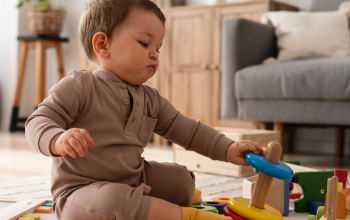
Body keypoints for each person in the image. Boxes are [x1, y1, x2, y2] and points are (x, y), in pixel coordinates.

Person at [25, 0, 264, 219]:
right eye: (144, 43)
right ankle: (185, 216)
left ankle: (157, 205)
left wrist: (228, 148)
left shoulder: (151, 98)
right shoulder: (80, 85)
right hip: (81, 192)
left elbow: (189, 131)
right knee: (114, 200)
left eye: (158, 48)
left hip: (132, 179)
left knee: (181, 179)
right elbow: (37, 121)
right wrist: (57, 139)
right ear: (102, 44)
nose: (154, 54)